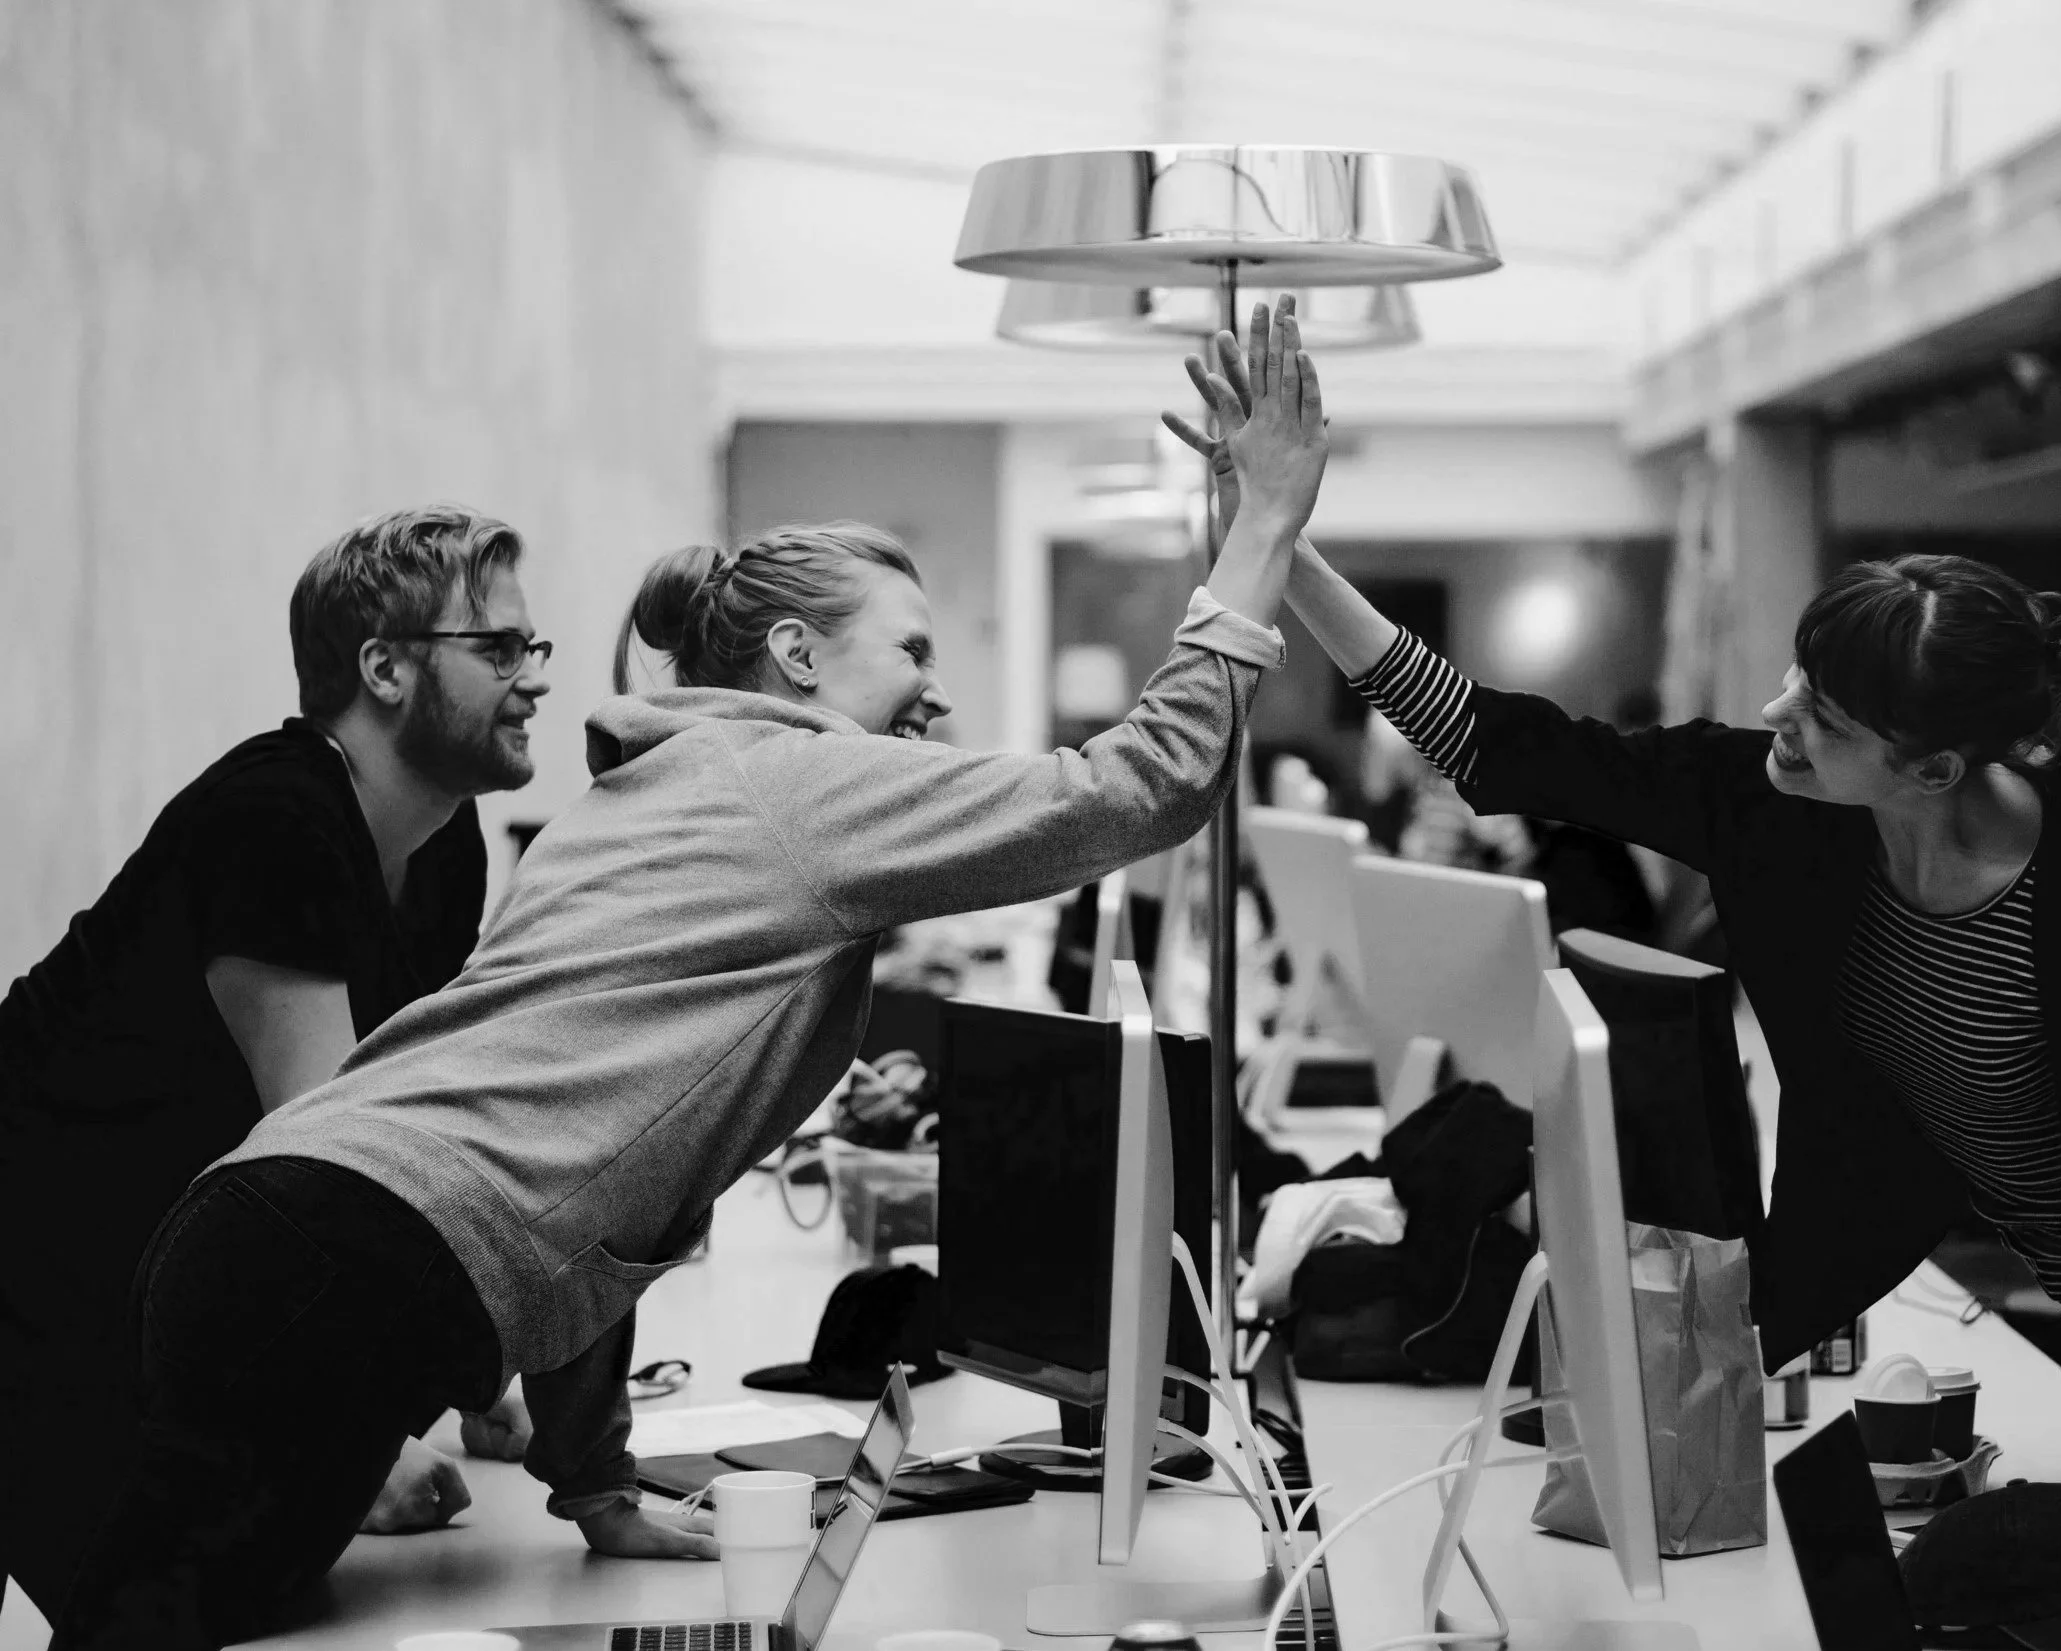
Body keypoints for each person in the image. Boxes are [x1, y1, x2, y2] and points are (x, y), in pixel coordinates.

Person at [49, 316, 1326, 1650]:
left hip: (272, 1235)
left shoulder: (648, 792)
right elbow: (1134, 787)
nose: (936, 698)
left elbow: (599, 1185)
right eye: (911, 653)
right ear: (794, 661)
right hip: (346, 1270)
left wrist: (594, 1478)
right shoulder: (801, 786)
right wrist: (1261, 535)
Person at [1170, 301, 2061, 1611]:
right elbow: (1497, 742)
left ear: (1925, 769)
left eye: (1822, 715)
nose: (1775, 717)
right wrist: (1279, 546)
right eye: (1795, 681)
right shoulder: (1776, 805)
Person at [0, 506, 551, 1623]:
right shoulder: (275, 819)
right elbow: (336, 1176)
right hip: (36, 1281)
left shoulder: (442, 848)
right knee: (167, 1602)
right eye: (498, 649)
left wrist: (488, 1383)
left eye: (533, 648)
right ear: (384, 668)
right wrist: (398, 1424)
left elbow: (416, 1121)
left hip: (144, 1276)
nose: (534, 677)